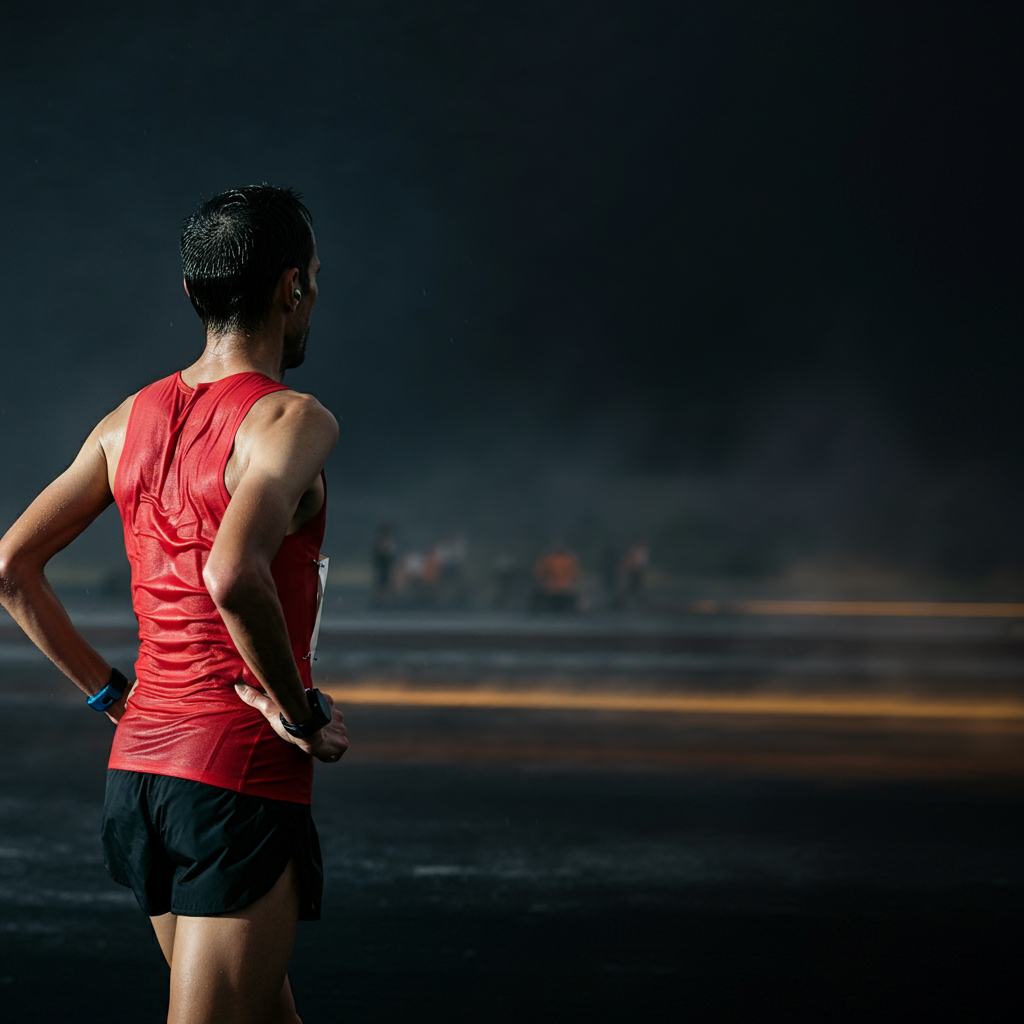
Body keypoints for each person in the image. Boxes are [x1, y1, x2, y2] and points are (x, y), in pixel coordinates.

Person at [0, 184, 348, 1024]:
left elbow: (13, 568)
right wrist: (297, 713)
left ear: (194, 293)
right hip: (234, 775)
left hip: (141, 779)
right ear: (293, 287)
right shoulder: (290, 420)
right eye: (314, 284)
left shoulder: (128, 419)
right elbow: (234, 575)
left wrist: (109, 694)